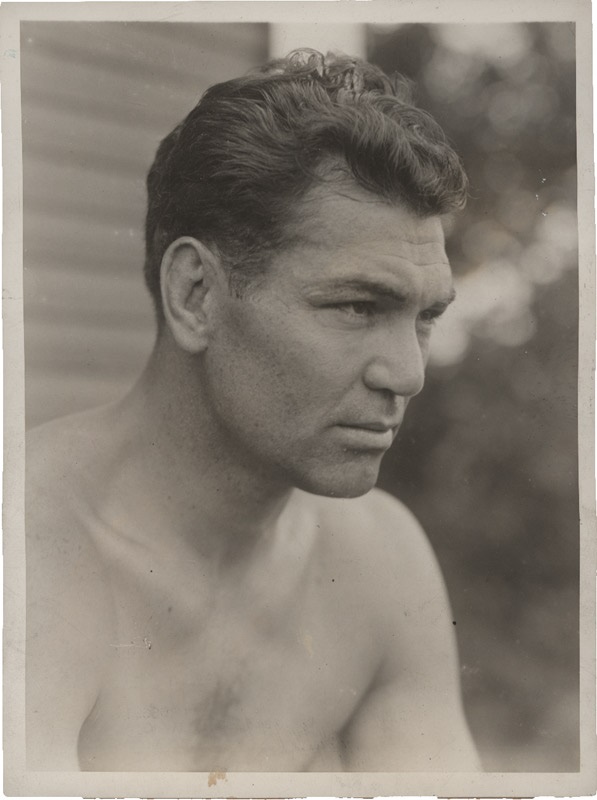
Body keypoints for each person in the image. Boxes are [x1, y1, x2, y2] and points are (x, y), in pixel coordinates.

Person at [26, 49, 481, 772]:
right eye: (357, 306)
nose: (408, 373)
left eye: (424, 317)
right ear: (196, 295)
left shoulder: (377, 562)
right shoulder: (25, 559)